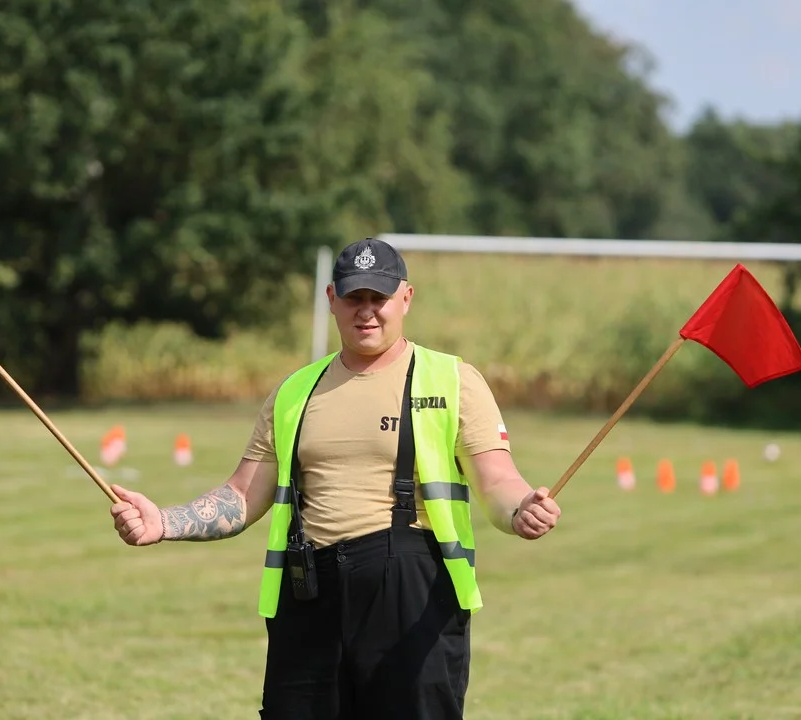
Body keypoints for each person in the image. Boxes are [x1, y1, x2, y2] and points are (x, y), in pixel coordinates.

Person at [109, 237, 561, 720]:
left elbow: (497, 482)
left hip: (412, 591)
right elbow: (241, 495)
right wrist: (164, 521)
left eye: (378, 298)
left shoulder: (452, 380)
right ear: (332, 300)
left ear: (405, 298)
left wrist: (519, 511)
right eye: (354, 298)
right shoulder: (294, 391)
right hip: (308, 596)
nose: (366, 311)